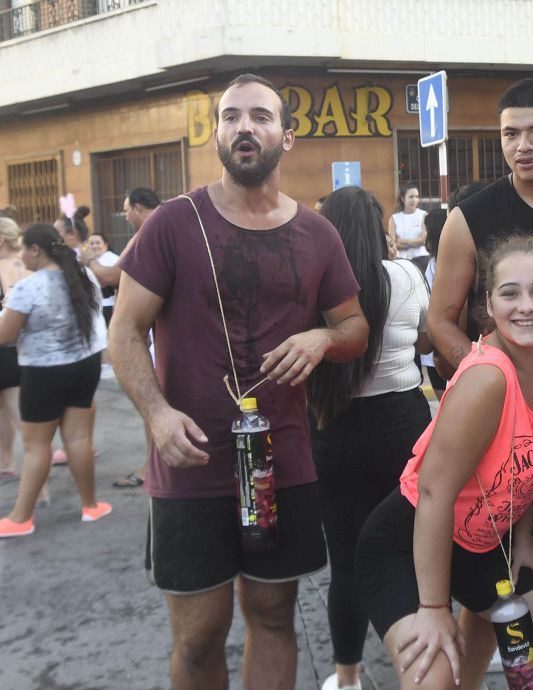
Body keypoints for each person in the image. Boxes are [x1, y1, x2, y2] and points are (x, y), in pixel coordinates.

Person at [108, 73, 369, 689]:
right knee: (198, 637)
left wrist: (322, 337)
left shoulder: (316, 232)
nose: (244, 127)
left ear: (288, 136)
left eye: (259, 116)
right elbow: (124, 332)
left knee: (274, 616)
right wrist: (156, 415)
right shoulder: (172, 224)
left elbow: (355, 327)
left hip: (283, 460)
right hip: (188, 461)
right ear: (218, 133)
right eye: (230, 117)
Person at [356, 235, 533, 690]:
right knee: (436, 676)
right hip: (407, 545)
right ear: (488, 302)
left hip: (483, 546)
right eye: (509, 293)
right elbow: (433, 492)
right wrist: (434, 608)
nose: (526, 306)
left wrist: (523, 538)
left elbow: (532, 466)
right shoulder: (487, 378)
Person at [427, 77, 533, 603]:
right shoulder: (471, 217)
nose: (522, 146)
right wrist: (489, 376)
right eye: (510, 134)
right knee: (495, 581)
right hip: (506, 430)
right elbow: (439, 319)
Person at [310, 186, 433, 690]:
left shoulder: (313, 285)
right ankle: (427, 662)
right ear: (380, 228)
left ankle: (347, 677)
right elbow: (426, 337)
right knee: (414, 549)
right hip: (403, 425)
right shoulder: (405, 274)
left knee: (346, 561)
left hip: (332, 428)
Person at [0, 224, 110, 538]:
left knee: (36, 446)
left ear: (36, 250)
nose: (21, 255)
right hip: (85, 366)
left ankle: (21, 518)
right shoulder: (83, 275)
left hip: (44, 372)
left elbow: (5, 336)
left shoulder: (27, 288)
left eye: (24, 248)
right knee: (78, 439)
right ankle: (91, 506)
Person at [83, 188, 160, 488]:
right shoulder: (164, 225)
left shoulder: (150, 230)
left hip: (155, 335)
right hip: (158, 332)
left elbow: (112, 277)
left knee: (152, 404)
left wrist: (90, 260)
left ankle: (153, 468)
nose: (125, 216)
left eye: (127, 209)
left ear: (139, 208)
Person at [0, 217, 31, 483]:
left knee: (16, 414)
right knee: (11, 409)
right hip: (25, 345)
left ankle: (39, 485)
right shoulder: (29, 264)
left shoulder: (2, 267)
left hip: (4, 345)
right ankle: (6, 461)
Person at [417, 208, 447, 398]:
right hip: (435, 339)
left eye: (426, 230)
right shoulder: (433, 262)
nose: (423, 235)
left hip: (444, 337)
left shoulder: (445, 261)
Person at [388, 184, 429, 259]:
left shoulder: (423, 215)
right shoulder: (394, 218)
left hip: (421, 258)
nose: (414, 200)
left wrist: (402, 241)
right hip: (401, 259)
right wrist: (415, 243)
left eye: (416, 196)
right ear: (403, 198)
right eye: (411, 197)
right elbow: (392, 243)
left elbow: (424, 240)